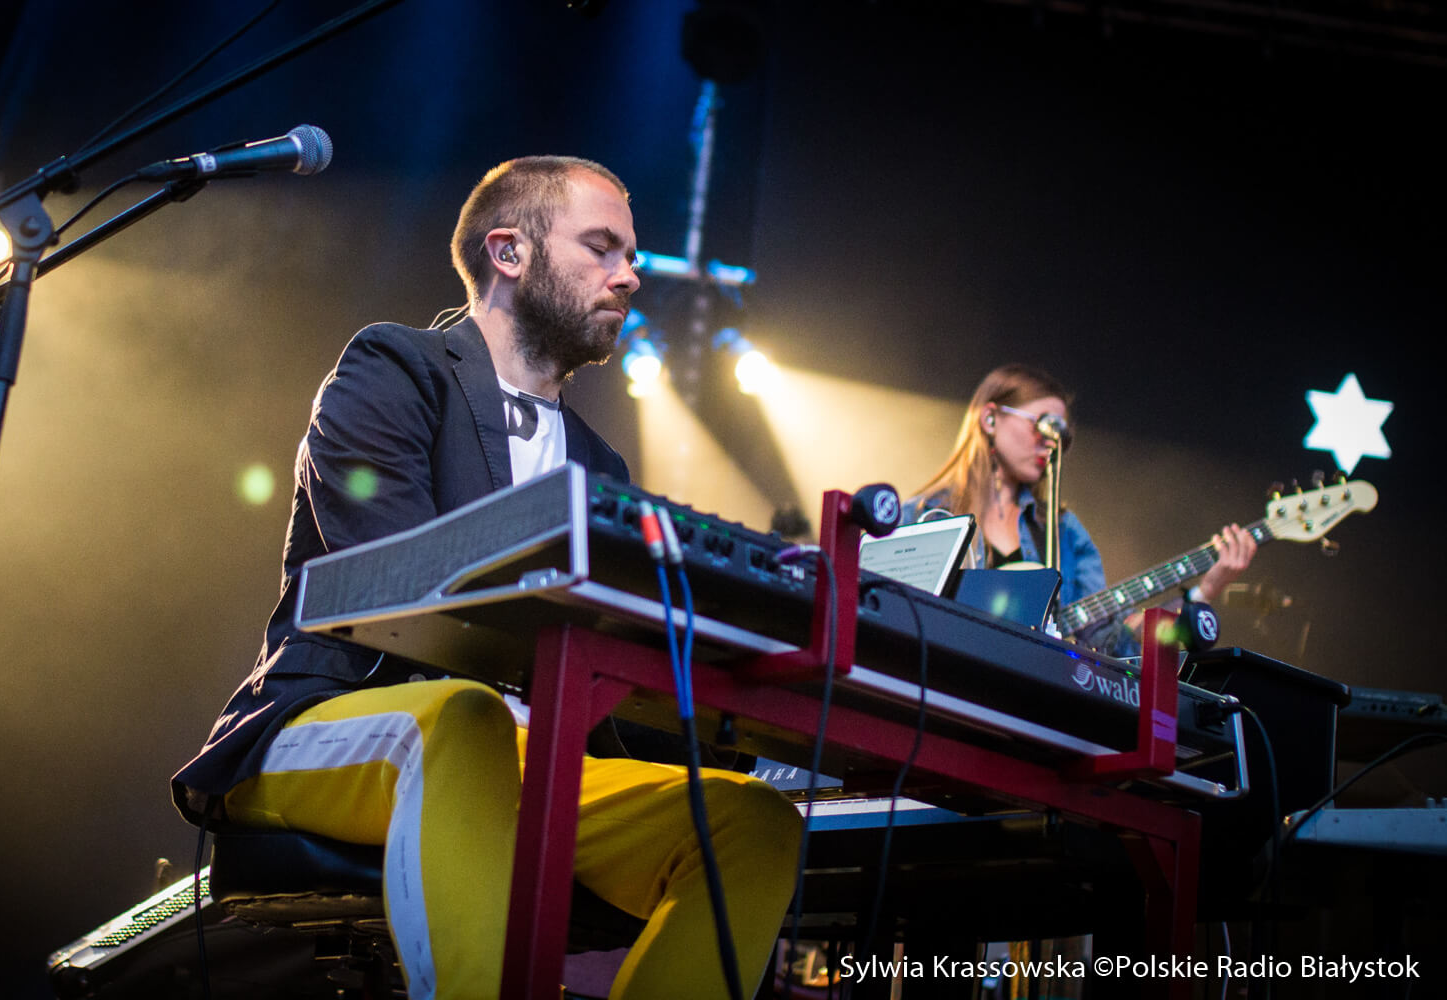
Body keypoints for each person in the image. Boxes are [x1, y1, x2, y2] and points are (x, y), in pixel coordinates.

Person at [171, 156, 801, 1000]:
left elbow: (616, 687)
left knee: (750, 822)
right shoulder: (394, 367)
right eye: (602, 248)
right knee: (463, 717)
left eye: (632, 256)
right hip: (334, 725)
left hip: (525, 757)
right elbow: (395, 580)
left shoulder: (601, 468)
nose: (630, 276)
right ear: (509, 252)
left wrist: (741, 693)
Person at [903, 363, 1258, 654]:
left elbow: (1111, 641)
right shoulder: (925, 514)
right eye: (1043, 425)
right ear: (990, 419)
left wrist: (1203, 593)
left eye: (1061, 434)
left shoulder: (1064, 531)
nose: (1051, 442)